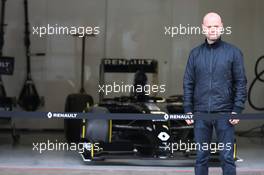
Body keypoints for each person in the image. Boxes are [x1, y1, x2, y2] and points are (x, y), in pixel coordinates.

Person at [183, 12, 247, 175]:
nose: (213, 29)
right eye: (209, 26)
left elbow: (240, 82)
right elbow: (188, 83)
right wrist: (188, 109)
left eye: (216, 26)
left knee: (226, 157)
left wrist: (237, 108)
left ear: (222, 27)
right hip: (200, 113)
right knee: (201, 157)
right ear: (203, 28)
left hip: (225, 114)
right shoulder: (195, 54)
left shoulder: (233, 52)